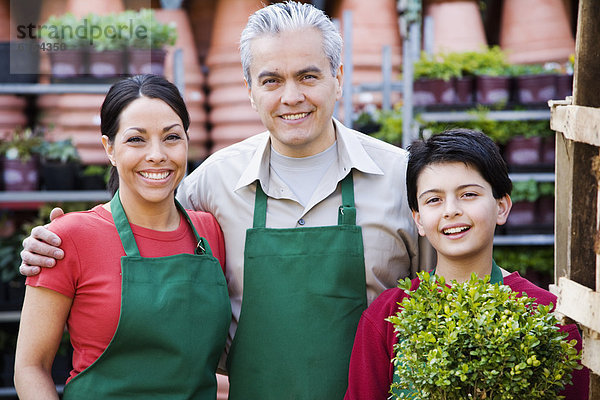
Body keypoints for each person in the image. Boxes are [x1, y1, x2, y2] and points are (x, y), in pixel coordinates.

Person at [19, 2, 419, 398]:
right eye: (271, 80)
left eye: (308, 76)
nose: (291, 96)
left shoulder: (403, 179)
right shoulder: (211, 185)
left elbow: (452, 294)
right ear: (249, 91)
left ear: (339, 78)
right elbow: (145, 225)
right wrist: (52, 245)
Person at [14, 74, 231, 399]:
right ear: (109, 148)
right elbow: (30, 367)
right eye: (136, 140)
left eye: (171, 137)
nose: (157, 154)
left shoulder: (210, 232)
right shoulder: (67, 238)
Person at [344, 128, 589, 400]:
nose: (451, 210)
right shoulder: (388, 315)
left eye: (468, 194)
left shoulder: (548, 316)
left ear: (501, 207)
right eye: (434, 200)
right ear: (418, 220)